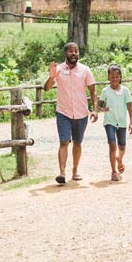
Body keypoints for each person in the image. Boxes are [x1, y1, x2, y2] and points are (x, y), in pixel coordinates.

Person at [44, 42, 98, 184]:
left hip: (81, 113)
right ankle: (62, 172)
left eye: (76, 51)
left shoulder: (85, 70)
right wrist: (51, 76)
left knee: (77, 143)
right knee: (64, 141)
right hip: (63, 112)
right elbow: (47, 88)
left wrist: (95, 109)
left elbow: (93, 91)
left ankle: (75, 170)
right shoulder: (59, 69)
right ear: (65, 53)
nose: (74, 54)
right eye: (70, 51)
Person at [98, 64, 132, 182]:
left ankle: (119, 158)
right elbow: (100, 105)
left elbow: (129, 106)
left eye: (117, 77)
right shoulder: (105, 91)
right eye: (112, 77)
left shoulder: (125, 91)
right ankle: (113, 171)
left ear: (120, 77)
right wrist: (103, 109)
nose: (114, 79)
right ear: (108, 78)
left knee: (122, 146)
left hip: (122, 122)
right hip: (109, 121)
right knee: (112, 145)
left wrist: (131, 122)